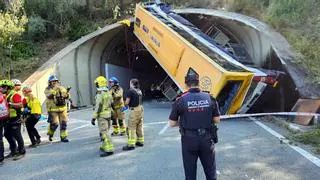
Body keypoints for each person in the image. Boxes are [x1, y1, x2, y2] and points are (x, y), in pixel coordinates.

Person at [168, 70, 220, 180]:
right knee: (210, 171)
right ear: (198, 83)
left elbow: (171, 123)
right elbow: (217, 120)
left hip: (188, 140)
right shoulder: (210, 98)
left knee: (190, 172)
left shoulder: (180, 100)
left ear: (186, 84)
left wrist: (183, 122)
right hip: (207, 139)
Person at [1, 79, 26, 160]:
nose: (0, 89)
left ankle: (22, 151)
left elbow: (20, 105)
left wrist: (10, 104)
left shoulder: (15, 95)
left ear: (7, 88)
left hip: (15, 118)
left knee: (17, 134)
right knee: (7, 134)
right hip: (7, 119)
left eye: (2, 87)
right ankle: (13, 150)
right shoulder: (5, 96)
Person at [91, 76, 114, 157]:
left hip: (102, 116)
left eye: (96, 83)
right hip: (108, 115)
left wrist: (93, 117)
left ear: (99, 84)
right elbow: (112, 104)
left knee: (104, 133)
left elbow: (98, 107)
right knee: (106, 131)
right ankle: (104, 146)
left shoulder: (100, 94)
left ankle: (109, 149)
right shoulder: (108, 92)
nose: (96, 85)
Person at [44, 75, 70, 142]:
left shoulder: (61, 88)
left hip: (62, 108)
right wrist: (55, 90)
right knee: (55, 123)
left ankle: (63, 137)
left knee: (64, 123)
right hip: (53, 109)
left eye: (55, 81)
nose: (54, 82)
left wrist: (67, 93)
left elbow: (66, 96)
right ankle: (50, 133)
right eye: (52, 81)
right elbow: (49, 96)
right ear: (49, 82)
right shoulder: (47, 89)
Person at [122, 78, 144, 151]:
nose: (129, 84)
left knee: (131, 127)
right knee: (139, 126)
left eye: (130, 83)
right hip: (140, 109)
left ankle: (131, 144)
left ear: (132, 83)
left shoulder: (130, 91)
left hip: (134, 110)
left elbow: (127, 102)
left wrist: (124, 105)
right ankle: (140, 141)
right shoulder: (139, 91)